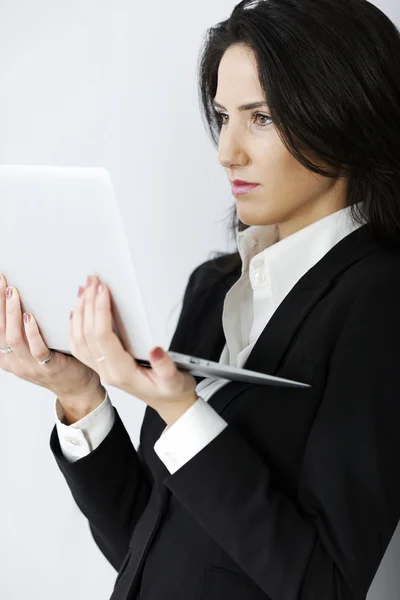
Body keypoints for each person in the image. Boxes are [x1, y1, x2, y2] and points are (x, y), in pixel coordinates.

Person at [2, 0, 400, 598]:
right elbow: (145, 545)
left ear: (343, 112)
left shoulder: (381, 300)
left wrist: (185, 413)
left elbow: (330, 586)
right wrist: (79, 395)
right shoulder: (214, 286)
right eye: (224, 116)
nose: (226, 151)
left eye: (261, 117)